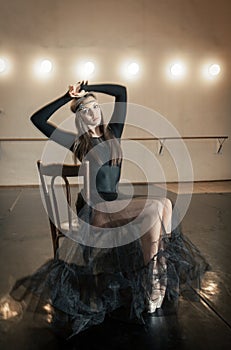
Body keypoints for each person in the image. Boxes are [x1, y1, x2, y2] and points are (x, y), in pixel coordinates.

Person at [1, 82, 209, 338]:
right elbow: (38, 119)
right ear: (78, 116)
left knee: (164, 203)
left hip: (116, 204)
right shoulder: (77, 142)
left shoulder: (113, 133)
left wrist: (91, 87)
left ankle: (156, 269)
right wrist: (67, 96)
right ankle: (154, 278)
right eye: (87, 109)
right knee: (155, 207)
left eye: (96, 106)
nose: (94, 112)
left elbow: (120, 92)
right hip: (94, 211)